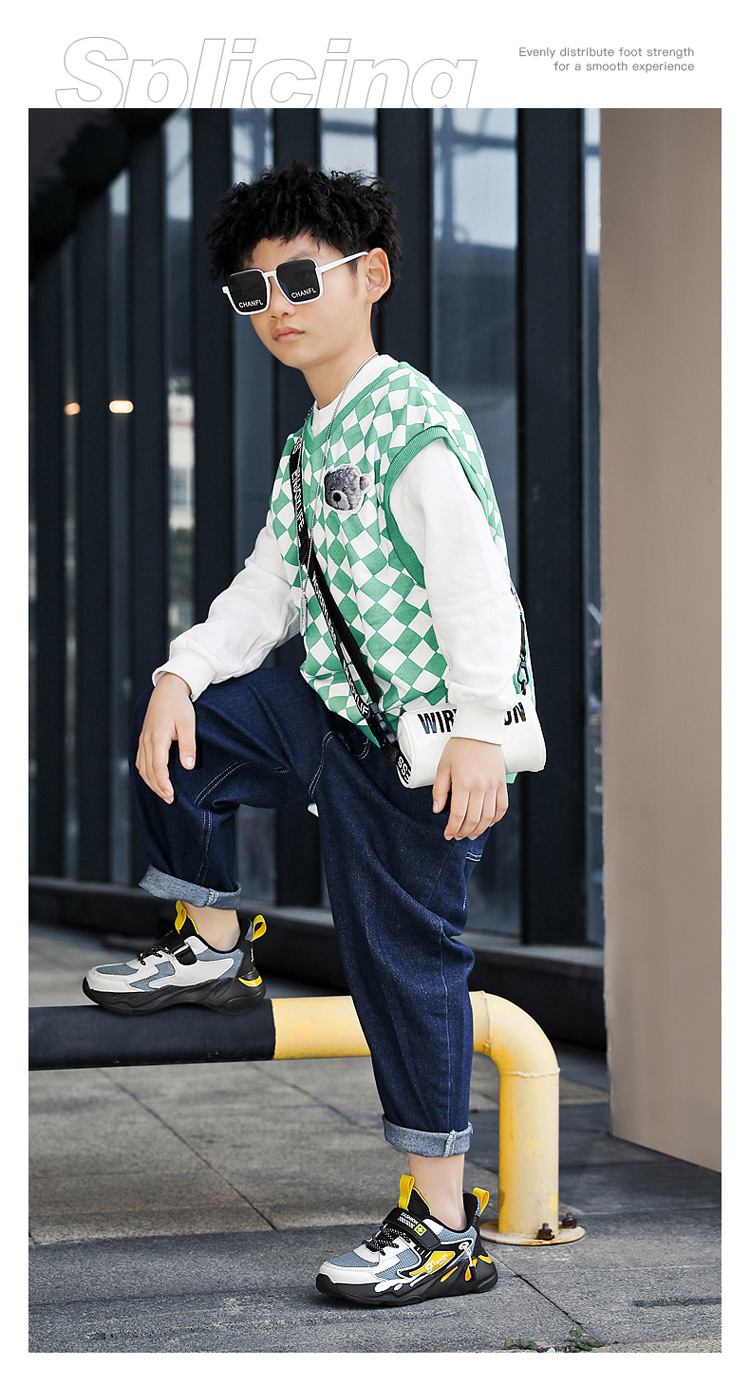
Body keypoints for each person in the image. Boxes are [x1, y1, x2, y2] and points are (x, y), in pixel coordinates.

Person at [83, 161, 529, 1308]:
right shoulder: (312, 442)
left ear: (370, 276)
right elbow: (267, 592)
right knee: (186, 729)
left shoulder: (412, 424)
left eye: (298, 278)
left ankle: (444, 1226)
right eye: (252, 290)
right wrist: (180, 670)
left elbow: (479, 589)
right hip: (328, 711)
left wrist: (483, 733)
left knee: (403, 966)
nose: (275, 306)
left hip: (421, 751)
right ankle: (214, 942)